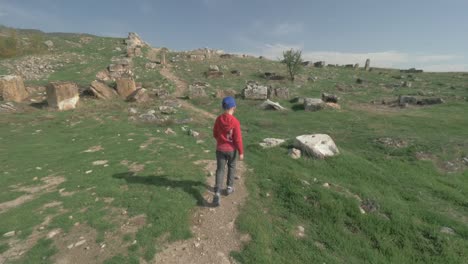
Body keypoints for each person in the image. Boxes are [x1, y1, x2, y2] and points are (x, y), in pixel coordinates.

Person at [212, 96, 244, 206]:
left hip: (220, 149)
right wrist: (241, 152)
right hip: (231, 150)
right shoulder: (235, 122)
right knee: (231, 166)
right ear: (233, 107)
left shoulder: (218, 119)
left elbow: (215, 133)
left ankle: (217, 192)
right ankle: (229, 187)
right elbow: (238, 138)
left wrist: (220, 140)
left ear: (223, 107)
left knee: (220, 170)